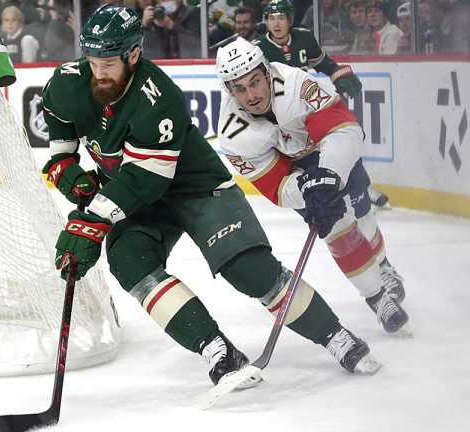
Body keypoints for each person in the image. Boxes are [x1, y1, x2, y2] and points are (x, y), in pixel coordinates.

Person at [43, 4, 382, 386]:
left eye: (108, 63)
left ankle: (334, 334)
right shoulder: (69, 80)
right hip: (134, 197)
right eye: (92, 60)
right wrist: (62, 159)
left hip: (196, 188)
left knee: (249, 271)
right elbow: (58, 114)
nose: (98, 72)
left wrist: (92, 219)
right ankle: (216, 348)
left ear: (133, 54)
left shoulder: (158, 96)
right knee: (129, 263)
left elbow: (146, 178)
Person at [215, 37, 411, 336]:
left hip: (331, 148)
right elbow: (277, 187)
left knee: (361, 213)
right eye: (239, 89)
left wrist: (329, 173)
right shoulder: (231, 134)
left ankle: (383, 265)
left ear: (267, 73)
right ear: (228, 91)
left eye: (254, 82)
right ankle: (378, 298)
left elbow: (344, 129)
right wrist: (307, 187)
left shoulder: (296, 83)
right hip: (299, 173)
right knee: (337, 229)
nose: (251, 95)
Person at [257, 0, 390, 209]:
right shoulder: (258, 50)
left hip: (310, 106)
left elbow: (325, 63)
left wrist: (339, 76)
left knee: (341, 141)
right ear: (265, 21)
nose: (276, 23)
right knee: (307, 159)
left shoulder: (304, 37)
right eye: (271, 18)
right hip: (284, 117)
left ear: (290, 20)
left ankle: (364, 187)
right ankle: (316, 195)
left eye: (281, 17)